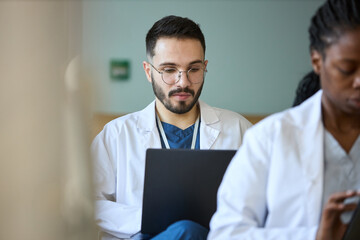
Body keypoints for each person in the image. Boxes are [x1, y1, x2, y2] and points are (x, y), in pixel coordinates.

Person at [208, 0, 360, 239]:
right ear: (317, 61)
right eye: (347, 69)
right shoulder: (270, 137)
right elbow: (225, 234)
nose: (359, 81)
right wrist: (314, 236)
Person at [91, 15, 252, 239]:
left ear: (205, 68)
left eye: (193, 69)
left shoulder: (241, 131)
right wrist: (151, 221)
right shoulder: (116, 135)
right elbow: (91, 203)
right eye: (169, 70)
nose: (183, 81)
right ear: (149, 72)